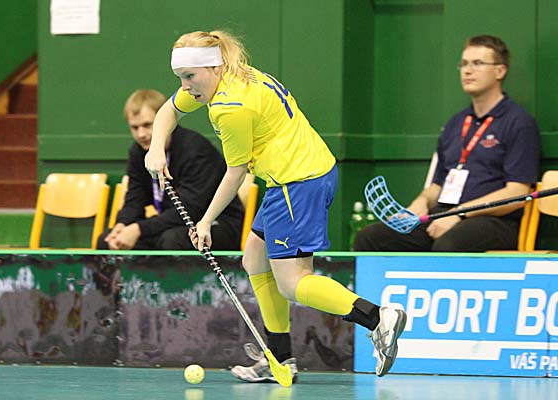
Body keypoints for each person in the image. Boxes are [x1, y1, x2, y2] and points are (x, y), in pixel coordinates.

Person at [144, 30, 407, 382]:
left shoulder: (230, 108)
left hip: (298, 183)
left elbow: (235, 172)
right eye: (180, 77)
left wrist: (205, 222)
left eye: (189, 76)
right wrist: (156, 148)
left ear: (211, 67)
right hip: (297, 176)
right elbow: (169, 110)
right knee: (254, 259)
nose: (185, 86)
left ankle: (377, 317)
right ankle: (280, 359)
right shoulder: (237, 74)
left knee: (292, 282)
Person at [354, 35, 540, 252]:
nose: (468, 71)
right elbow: (437, 186)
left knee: (448, 244)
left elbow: (517, 193)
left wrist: (460, 213)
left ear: (500, 71)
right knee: (370, 238)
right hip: (445, 213)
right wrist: (420, 203)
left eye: (477, 63)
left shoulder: (519, 122)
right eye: (464, 64)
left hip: (494, 221)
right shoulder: (456, 123)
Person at [96, 89, 244, 250]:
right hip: (172, 223)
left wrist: (139, 229)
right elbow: (134, 198)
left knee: (171, 240)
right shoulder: (138, 152)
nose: (141, 134)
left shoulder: (196, 150)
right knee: (107, 240)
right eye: (135, 127)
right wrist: (122, 225)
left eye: (147, 125)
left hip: (216, 224)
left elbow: (191, 209)